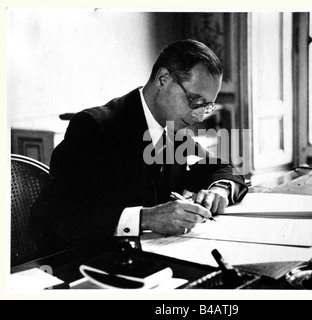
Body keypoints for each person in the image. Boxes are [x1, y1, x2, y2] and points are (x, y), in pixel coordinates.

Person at [30, 39, 248, 254]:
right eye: (195, 101)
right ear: (163, 79)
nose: (200, 116)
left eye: (207, 106)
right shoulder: (95, 127)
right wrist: (146, 218)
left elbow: (221, 167)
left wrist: (221, 188)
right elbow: (53, 220)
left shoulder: (174, 130)